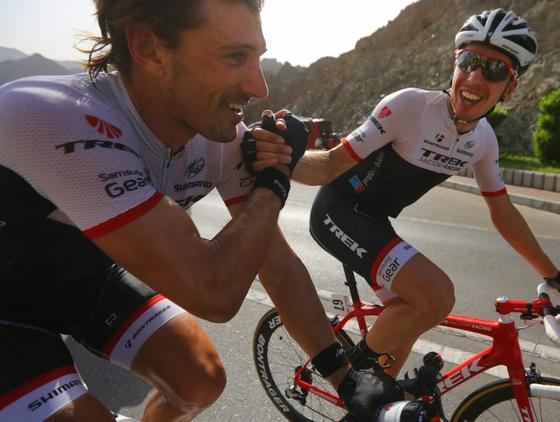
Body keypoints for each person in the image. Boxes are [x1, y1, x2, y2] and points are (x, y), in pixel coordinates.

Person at [0, 0, 401, 421]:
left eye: (257, 57)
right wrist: (274, 183)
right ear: (150, 48)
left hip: (80, 278)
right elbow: (214, 291)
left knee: (200, 379)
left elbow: (277, 265)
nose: (259, 87)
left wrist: (346, 377)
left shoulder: (219, 139)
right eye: (235, 56)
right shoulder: (60, 118)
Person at [264, 8, 560, 378]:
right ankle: (349, 382)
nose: (473, 76)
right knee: (436, 296)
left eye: (494, 69)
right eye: (468, 61)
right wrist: (280, 156)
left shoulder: (483, 141)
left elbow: (503, 213)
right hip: (337, 211)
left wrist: (554, 274)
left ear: (511, 86)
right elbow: (329, 165)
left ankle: (367, 405)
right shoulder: (410, 107)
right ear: (455, 64)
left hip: (374, 221)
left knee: (408, 321)